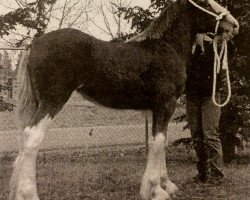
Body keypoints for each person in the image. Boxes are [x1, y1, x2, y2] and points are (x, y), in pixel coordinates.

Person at [185, 33, 224, 183]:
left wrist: (211, 39)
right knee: (196, 136)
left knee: (211, 135)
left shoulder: (215, 45)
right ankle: (202, 173)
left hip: (210, 96)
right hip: (192, 96)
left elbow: (229, 48)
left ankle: (216, 174)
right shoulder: (188, 48)